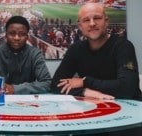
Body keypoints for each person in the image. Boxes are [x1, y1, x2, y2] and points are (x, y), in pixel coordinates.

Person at [51, 2, 142, 136]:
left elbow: (126, 88)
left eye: (97, 18)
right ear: (80, 26)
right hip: (94, 117)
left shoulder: (123, 46)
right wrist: (85, 91)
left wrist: (86, 81)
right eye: (86, 20)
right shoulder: (76, 49)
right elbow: (55, 84)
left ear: (106, 21)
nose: (92, 23)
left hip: (128, 121)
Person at [0, 16, 51, 96]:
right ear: (6, 35)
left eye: (22, 34)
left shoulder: (35, 54)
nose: (16, 38)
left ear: (27, 37)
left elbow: (47, 83)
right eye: (12, 34)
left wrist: (14, 89)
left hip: (26, 103)